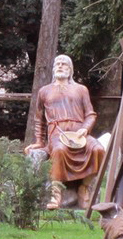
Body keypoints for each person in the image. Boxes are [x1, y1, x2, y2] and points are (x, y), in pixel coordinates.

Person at [25, 54, 105, 209]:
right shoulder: (44, 91)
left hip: (79, 133)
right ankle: (56, 194)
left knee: (99, 149)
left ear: (70, 69)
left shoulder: (81, 89)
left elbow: (90, 114)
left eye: (64, 64)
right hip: (57, 134)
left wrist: (85, 129)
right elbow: (39, 119)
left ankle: (84, 187)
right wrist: (39, 142)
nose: (60, 66)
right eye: (58, 64)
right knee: (59, 151)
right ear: (54, 68)